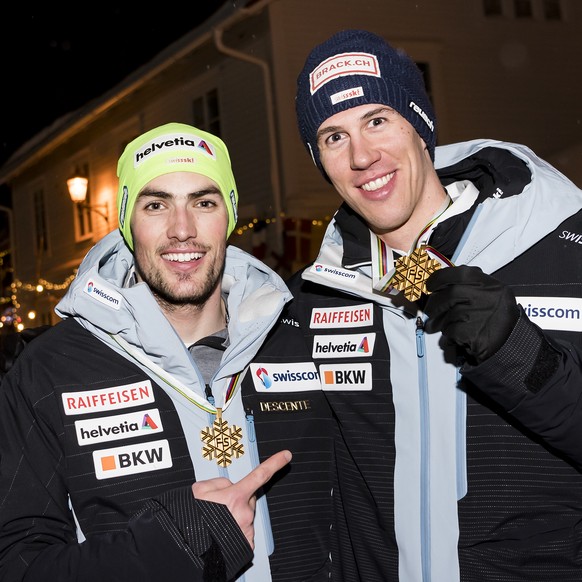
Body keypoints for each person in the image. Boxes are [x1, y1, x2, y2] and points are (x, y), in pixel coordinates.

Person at [291, 29, 582, 581]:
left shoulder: (561, 248)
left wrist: (516, 353)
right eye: (333, 137)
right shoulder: (313, 302)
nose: (361, 155)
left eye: (377, 120)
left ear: (420, 125)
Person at [0, 122, 332, 581]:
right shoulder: (50, 373)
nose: (182, 230)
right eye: (156, 205)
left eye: (204, 202)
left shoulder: (300, 344)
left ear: (230, 215)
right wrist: (169, 546)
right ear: (127, 223)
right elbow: (18, 564)